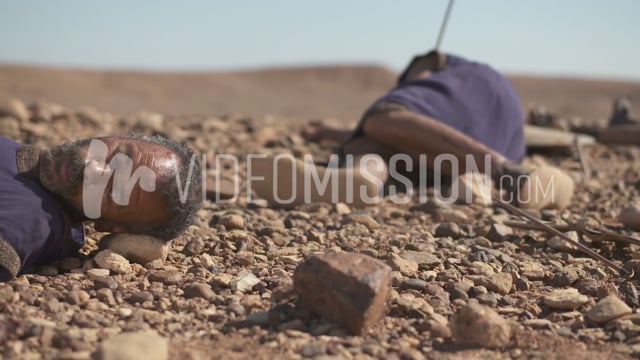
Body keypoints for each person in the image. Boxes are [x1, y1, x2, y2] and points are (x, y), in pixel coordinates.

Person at [250, 51, 574, 209]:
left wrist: (407, 87)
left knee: (380, 120)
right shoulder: (498, 100)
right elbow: (418, 132)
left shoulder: (441, 66)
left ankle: (512, 174)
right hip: (488, 143)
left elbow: (399, 119)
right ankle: (356, 181)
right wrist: (329, 132)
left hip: (475, 131)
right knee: (388, 143)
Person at [0, 133, 202, 280]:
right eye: (116, 156)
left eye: (114, 191)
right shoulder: (22, 158)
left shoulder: (29, 221)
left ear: (111, 227)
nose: (92, 169)